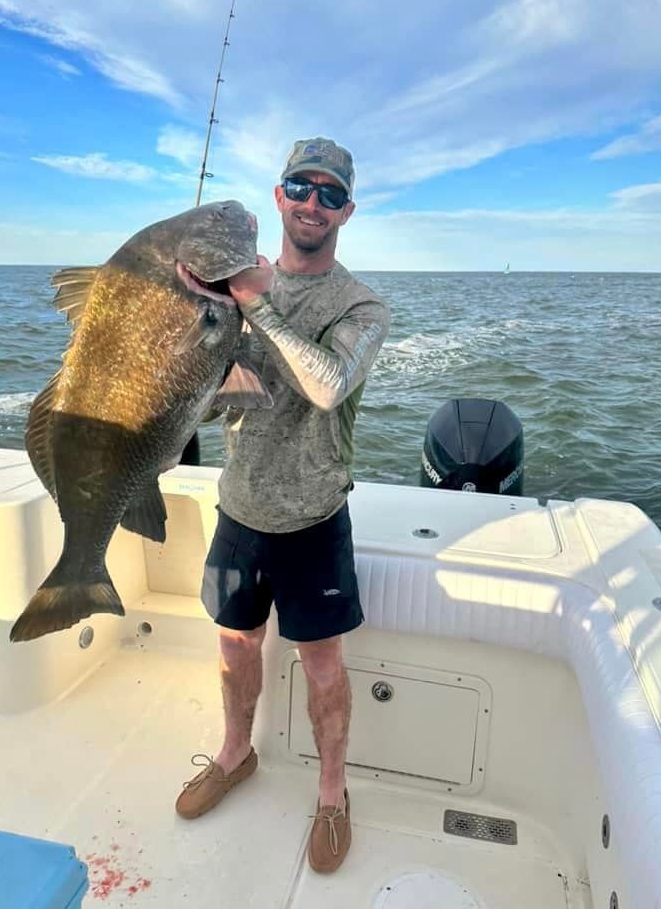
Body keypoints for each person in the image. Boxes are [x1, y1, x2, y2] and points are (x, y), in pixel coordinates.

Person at [175, 138, 390, 874]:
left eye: (331, 194)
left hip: (313, 519)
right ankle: (235, 754)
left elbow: (326, 385)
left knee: (323, 666)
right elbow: (210, 401)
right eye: (301, 187)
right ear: (279, 196)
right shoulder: (228, 294)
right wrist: (197, 319)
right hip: (239, 508)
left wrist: (254, 300)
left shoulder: (360, 306)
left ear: (347, 212)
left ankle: (332, 793)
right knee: (235, 646)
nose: (313, 203)